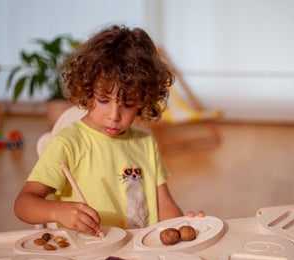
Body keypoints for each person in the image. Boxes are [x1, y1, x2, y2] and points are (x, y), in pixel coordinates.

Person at [14, 24, 202, 236]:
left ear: (143, 100)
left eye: (129, 104)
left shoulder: (145, 143)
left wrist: (182, 228)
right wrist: (59, 212)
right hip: (87, 254)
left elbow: (164, 206)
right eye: (103, 100)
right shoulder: (67, 143)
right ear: (86, 89)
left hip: (137, 253)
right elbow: (23, 204)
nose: (114, 116)